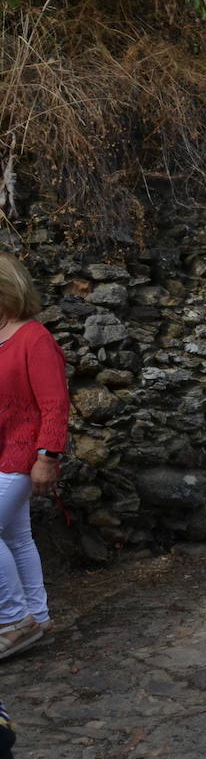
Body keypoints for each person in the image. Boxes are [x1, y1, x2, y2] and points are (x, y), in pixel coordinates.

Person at [0, 254, 67, 661]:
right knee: (15, 536)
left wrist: (48, 456)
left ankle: (12, 621)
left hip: (22, 457)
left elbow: (55, 404)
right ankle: (37, 618)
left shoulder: (34, 337)